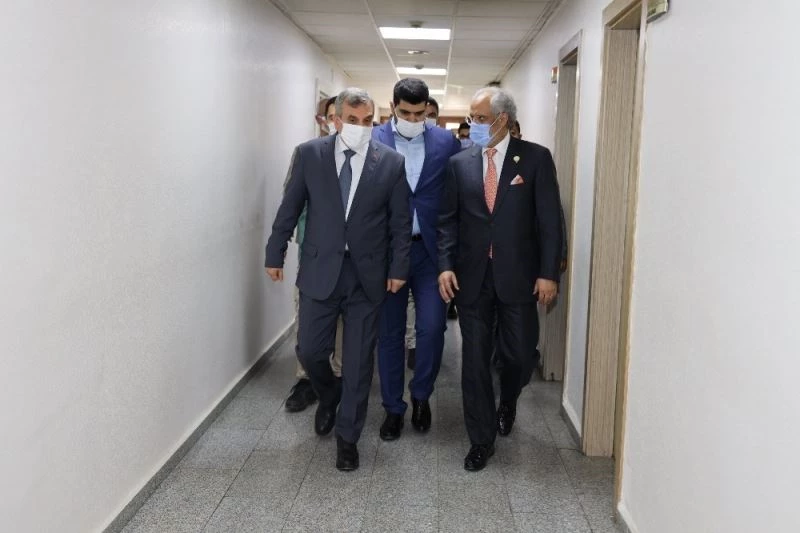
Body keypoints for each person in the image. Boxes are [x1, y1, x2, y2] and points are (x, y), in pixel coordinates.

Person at [265, 88, 411, 471]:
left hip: (367, 275)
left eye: (368, 121)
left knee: (359, 362)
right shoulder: (309, 155)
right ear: (336, 119)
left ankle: (348, 439)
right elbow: (290, 206)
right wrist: (275, 251)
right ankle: (328, 395)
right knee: (310, 351)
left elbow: (400, 223)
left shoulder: (391, 163)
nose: (361, 127)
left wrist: (399, 269)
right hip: (320, 269)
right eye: (353, 120)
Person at [438, 87, 562, 471]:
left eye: (479, 118)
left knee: (520, 355)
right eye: (472, 118)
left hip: (519, 277)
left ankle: (508, 398)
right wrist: (445, 265)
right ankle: (481, 440)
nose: (473, 124)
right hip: (472, 278)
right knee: (474, 361)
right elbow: (447, 221)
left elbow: (550, 221)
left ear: (502, 120)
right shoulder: (459, 164)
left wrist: (548, 273)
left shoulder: (535, 159)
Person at [373, 78, 461, 441]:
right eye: (405, 112)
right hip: (388, 253)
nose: (412, 119)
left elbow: (454, 198)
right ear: (392, 105)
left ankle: (421, 395)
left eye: (419, 113)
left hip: (430, 252)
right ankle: (393, 408)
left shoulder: (445, 142)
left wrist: (451, 257)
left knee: (432, 328)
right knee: (390, 334)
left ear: (428, 109)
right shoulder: (374, 139)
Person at [285, 97, 343, 414]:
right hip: (314, 254)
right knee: (306, 318)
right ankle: (306, 379)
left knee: (343, 321)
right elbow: (291, 199)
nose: (338, 124)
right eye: (332, 117)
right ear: (322, 121)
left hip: (348, 256)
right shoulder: (306, 154)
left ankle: (338, 376)